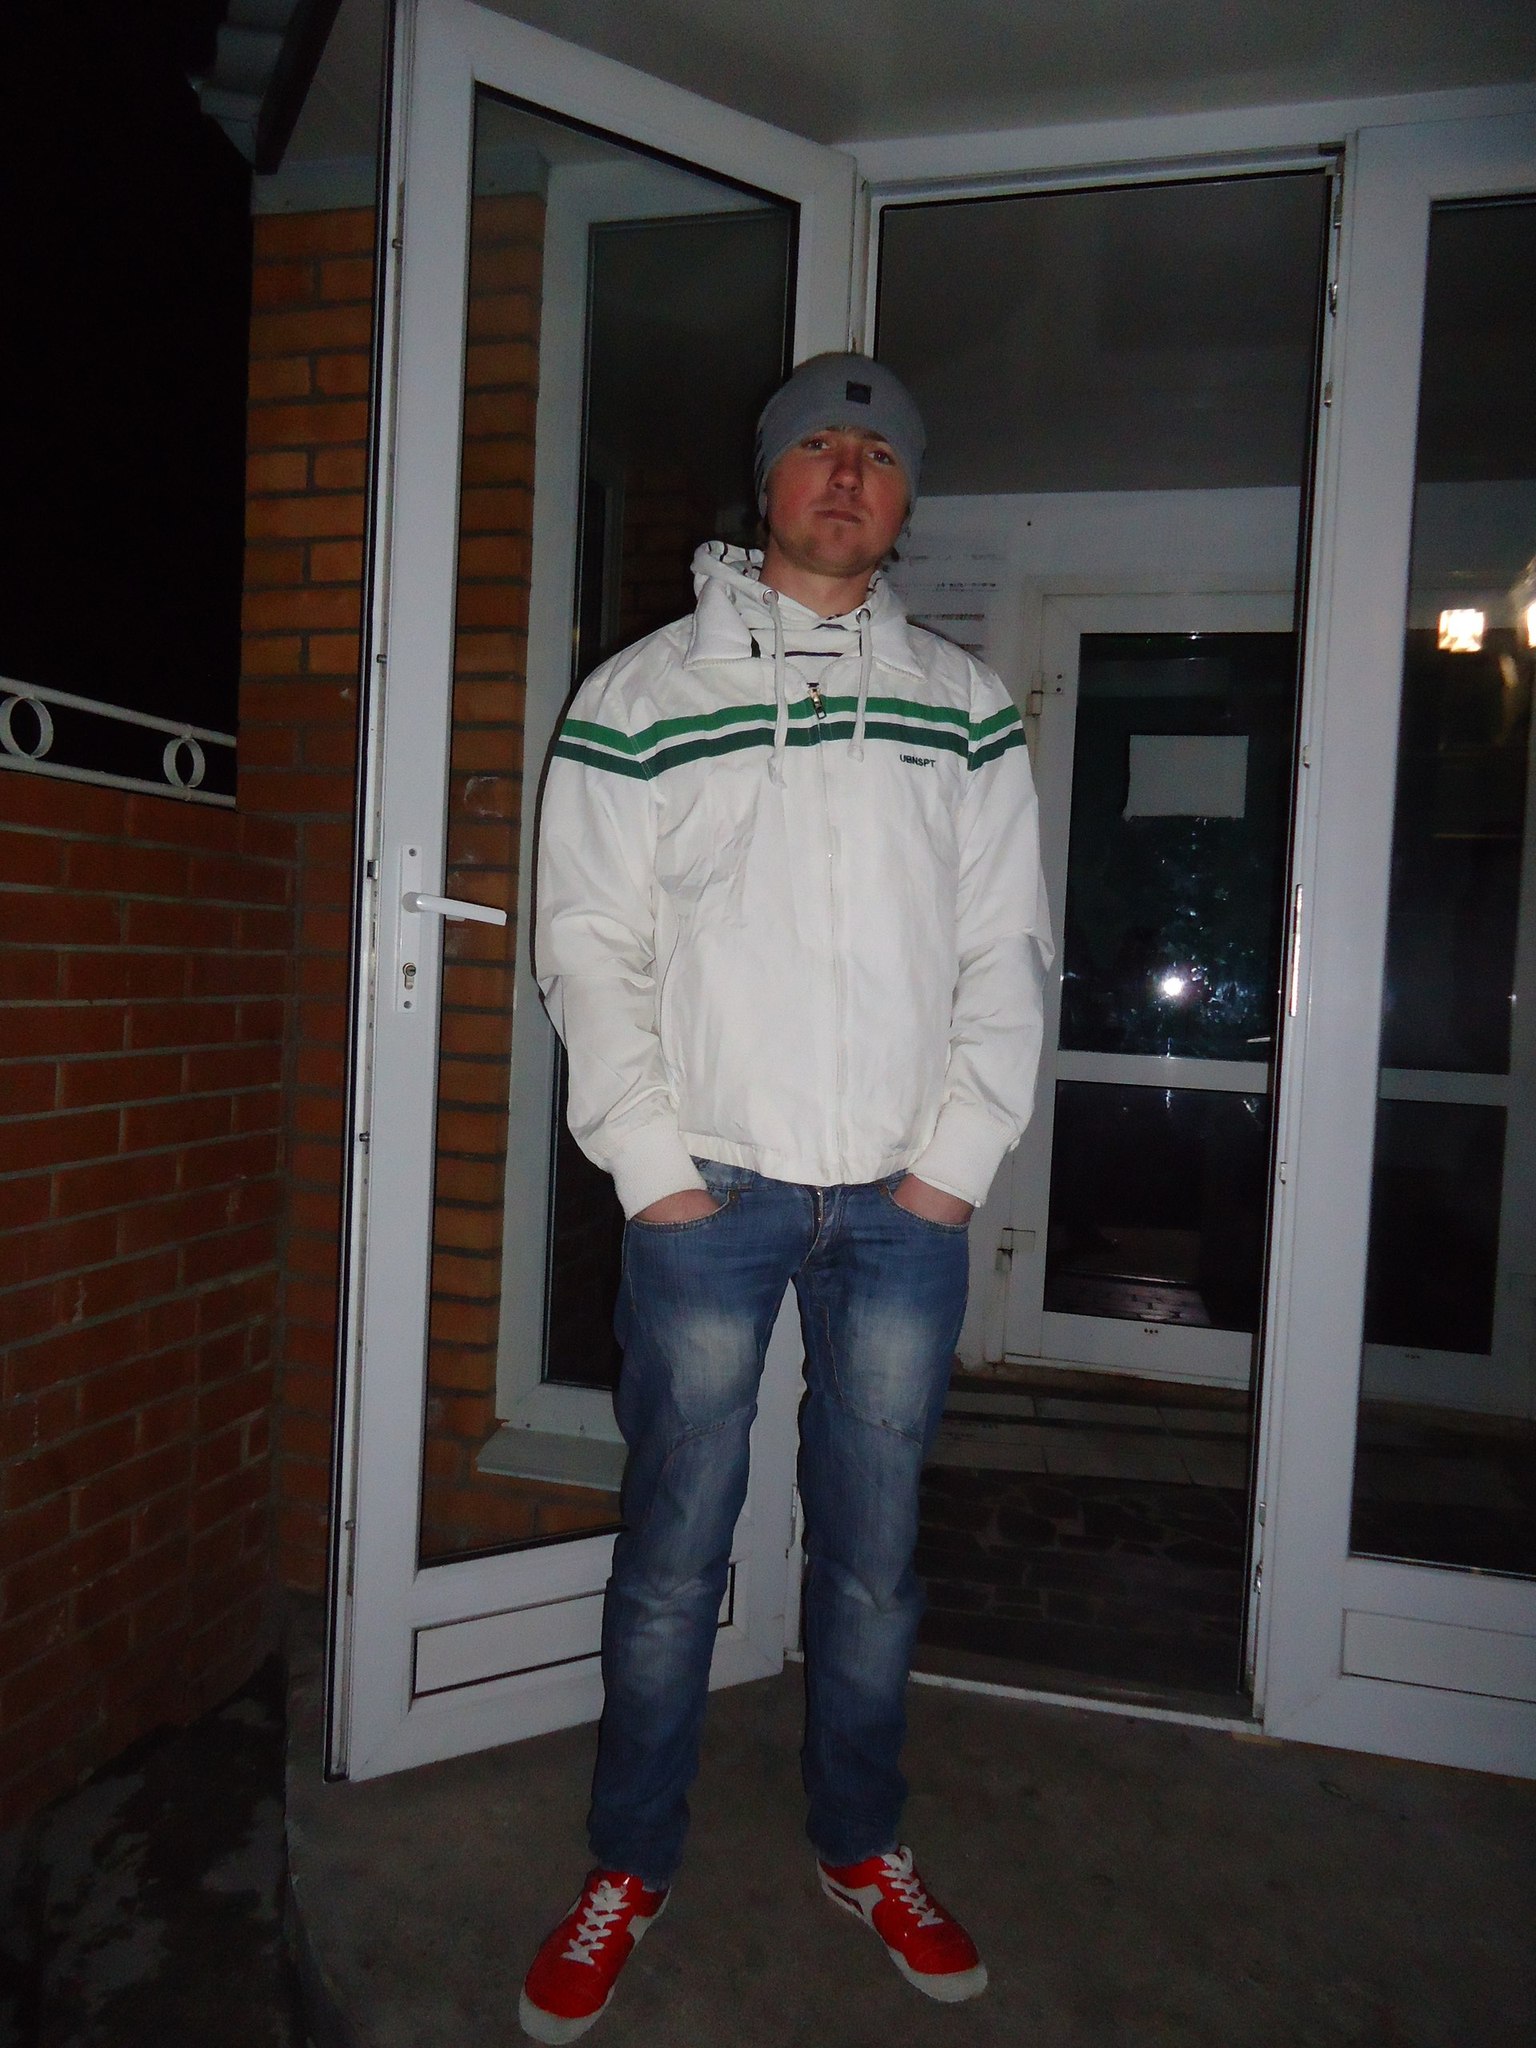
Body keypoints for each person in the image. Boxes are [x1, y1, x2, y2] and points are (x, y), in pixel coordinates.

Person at [520, 353, 1051, 2043]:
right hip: (713, 1194)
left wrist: (954, 1166)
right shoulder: (641, 694)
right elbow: (586, 944)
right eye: (817, 444)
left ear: (906, 499)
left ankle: (861, 1842)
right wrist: (653, 1167)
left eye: (876, 454)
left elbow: (1005, 950)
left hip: (899, 1206)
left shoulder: (964, 706)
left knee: (874, 1564)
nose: (845, 472)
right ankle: (630, 1864)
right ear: (769, 482)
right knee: (673, 1557)